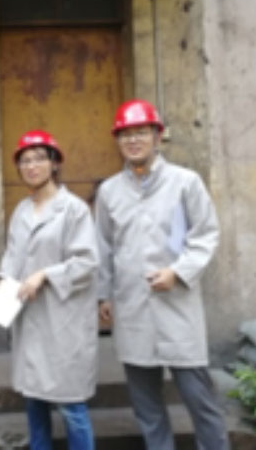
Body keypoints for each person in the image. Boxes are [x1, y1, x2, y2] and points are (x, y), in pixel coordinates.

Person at [95, 99, 230, 450]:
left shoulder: (185, 182)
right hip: (132, 304)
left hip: (176, 303)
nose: (133, 140)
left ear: (157, 136)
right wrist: (103, 294)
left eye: (141, 132)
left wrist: (178, 272)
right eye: (125, 134)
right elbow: (103, 246)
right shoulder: (110, 191)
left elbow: (206, 235)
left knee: (199, 398)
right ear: (117, 140)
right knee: (146, 405)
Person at [0, 130, 99, 450]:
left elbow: (87, 262)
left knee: (71, 406)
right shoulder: (22, 211)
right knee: (34, 401)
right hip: (30, 316)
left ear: (55, 164)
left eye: (39, 159)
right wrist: (3, 280)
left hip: (63, 319)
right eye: (25, 161)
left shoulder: (74, 209)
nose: (31, 166)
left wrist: (45, 274)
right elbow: (12, 255)